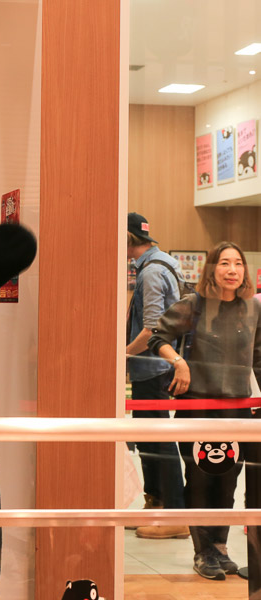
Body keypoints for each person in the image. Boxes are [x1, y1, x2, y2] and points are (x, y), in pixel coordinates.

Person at [148, 241, 261, 581]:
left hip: (238, 411)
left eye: (238, 264)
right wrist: (179, 363)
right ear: (211, 268)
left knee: (229, 481)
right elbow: (157, 336)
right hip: (198, 407)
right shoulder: (193, 305)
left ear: (245, 271)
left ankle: (221, 548)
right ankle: (202, 551)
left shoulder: (252, 309)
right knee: (199, 480)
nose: (232, 270)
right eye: (224, 263)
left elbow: (259, 358)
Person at [124, 212, 188, 539]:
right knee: (151, 438)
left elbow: (152, 329)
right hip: (159, 366)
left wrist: (123, 353)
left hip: (154, 366)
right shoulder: (167, 263)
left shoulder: (150, 272)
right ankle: (158, 504)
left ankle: (174, 513)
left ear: (129, 240)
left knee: (159, 440)